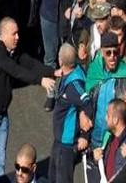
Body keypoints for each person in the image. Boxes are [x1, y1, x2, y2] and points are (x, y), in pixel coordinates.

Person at [0, 18, 55, 182]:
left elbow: (28, 62)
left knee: (0, 163)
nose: (18, 37)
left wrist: (52, 72)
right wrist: (40, 81)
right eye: (14, 34)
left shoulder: (11, 50)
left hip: (1, 116)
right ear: (3, 35)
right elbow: (15, 70)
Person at [50, 43, 90, 183]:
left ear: (60, 61)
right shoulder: (73, 72)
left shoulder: (74, 85)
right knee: (52, 177)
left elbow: (87, 103)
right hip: (59, 140)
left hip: (67, 144)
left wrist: (85, 135)